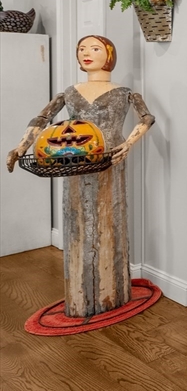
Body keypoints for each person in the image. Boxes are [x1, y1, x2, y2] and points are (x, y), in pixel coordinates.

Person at [6, 35, 154, 317]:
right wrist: (22, 146)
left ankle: (114, 293)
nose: (86, 53)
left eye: (94, 48)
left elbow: (147, 118)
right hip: (71, 161)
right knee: (77, 219)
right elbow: (41, 119)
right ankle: (80, 296)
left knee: (110, 219)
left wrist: (129, 144)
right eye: (82, 49)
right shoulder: (69, 92)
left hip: (111, 161)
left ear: (109, 54)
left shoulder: (124, 91)